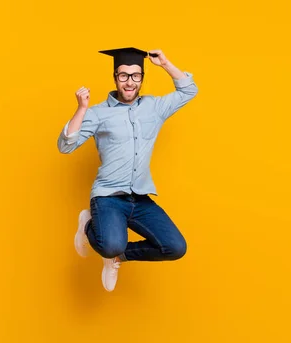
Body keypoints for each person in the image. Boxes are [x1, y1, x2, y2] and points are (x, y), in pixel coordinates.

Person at [57, 47, 198, 292]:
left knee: (175, 247)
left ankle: (117, 258)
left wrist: (165, 63)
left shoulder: (155, 107)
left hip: (140, 198)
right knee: (110, 243)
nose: (129, 81)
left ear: (142, 78)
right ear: (115, 77)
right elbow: (65, 145)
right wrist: (81, 109)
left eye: (135, 76)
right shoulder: (99, 113)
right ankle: (89, 225)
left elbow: (189, 89)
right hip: (108, 198)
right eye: (123, 75)